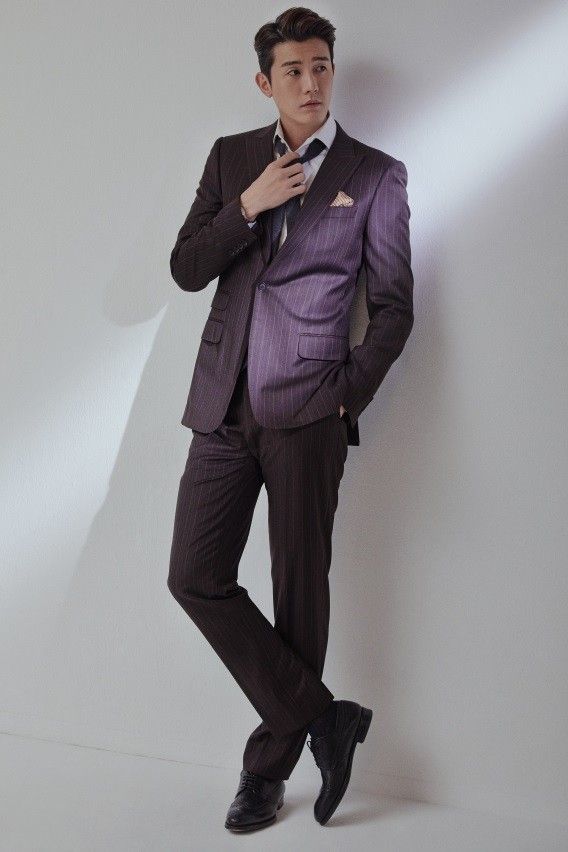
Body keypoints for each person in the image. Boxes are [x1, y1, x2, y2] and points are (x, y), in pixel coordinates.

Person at [167, 6, 414, 833]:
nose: (310, 83)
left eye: (321, 67)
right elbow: (186, 268)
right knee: (194, 575)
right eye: (294, 71)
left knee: (298, 591)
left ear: (332, 71)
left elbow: (394, 307)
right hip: (222, 404)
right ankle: (323, 718)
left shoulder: (375, 174)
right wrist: (247, 204)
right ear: (264, 81)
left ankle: (266, 773)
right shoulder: (231, 158)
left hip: (309, 411)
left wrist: (346, 396)